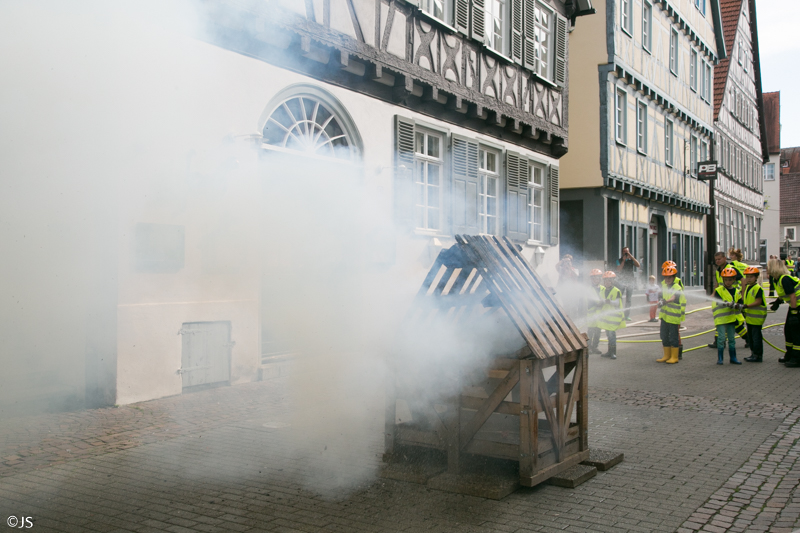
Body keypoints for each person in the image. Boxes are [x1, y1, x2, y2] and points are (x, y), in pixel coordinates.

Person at [708, 251, 746, 349]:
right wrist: (713, 294)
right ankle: (718, 341)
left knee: (735, 323)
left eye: (719, 259)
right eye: (716, 260)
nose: (717, 261)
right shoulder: (718, 270)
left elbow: (743, 280)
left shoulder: (731, 269)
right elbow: (717, 283)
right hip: (722, 297)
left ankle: (749, 339)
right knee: (721, 319)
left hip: (732, 297)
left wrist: (742, 295)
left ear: (725, 258)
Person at [767, 258, 800, 367]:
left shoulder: (784, 279)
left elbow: (793, 296)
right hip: (795, 306)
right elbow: (783, 293)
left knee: (796, 333)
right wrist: (777, 302)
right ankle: (789, 354)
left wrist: (794, 313)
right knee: (788, 331)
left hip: (797, 307)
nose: (767, 269)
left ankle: (797, 358)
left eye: (768, 267)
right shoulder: (778, 279)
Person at [712, 267, 743, 365]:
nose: (728, 282)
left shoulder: (737, 291)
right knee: (721, 339)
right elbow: (718, 301)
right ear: (723, 280)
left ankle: (733, 358)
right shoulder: (718, 290)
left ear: (734, 279)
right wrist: (726, 304)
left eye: (730, 279)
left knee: (732, 339)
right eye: (726, 280)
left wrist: (738, 305)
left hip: (731, 319)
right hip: (721, 319)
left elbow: (741, 303)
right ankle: (720, 359)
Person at [656, 266, 684, 364]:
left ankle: (674, 357)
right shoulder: (663, 287)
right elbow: (660, 297)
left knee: (673, 337)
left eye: (670, 277)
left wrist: (665, 301)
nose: (667, 279)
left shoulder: (677, 287)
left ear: (674, 277)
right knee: (663, 335)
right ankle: (666, 355)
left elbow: (673, 297)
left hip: (673, 317)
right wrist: (659, 302)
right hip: (665, 316)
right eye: (666, 277)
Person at [597, 271, 625, 359]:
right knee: (608, 335)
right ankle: (609, 352)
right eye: (605, 280)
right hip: (606, 318)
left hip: (614, 318)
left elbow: (617, 303)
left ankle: (613, 352)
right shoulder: (602, 291)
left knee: (612, 335)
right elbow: (601, 302)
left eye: (609, 280)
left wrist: (609, 302)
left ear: (612, 281)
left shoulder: (616, 291)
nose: (607, 282)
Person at [741, 266, 766, 363]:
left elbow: (758, 301)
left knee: (756, 338)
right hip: (750, 318)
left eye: (751, 277)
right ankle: (753, 354)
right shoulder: (748, 287)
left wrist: (747, 306)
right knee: (751, 337)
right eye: (747, 277)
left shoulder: (757, 288)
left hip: (756, 318)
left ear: (756, 277)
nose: (748, 279)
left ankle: (758, 355)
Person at [616, 247, 640, 321]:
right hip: (622, 281)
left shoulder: (631, 260)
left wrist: (631, 256)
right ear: (622, 252)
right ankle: (619, 314)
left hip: (630, 281)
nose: (625, 253)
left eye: (627, 251)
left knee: (628, 299)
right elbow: (619, 269)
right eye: (624, 251)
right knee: (619, 297)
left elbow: (638, 265)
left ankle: (626, 315)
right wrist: (623, 261)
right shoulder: (618, 260)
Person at [586, 269, 604, 355]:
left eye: (597, 278)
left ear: (600, 278)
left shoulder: (603, 289)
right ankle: (589, 347)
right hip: (592, 315)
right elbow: (589, 301)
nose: (595, 279)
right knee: (590, 332)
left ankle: (595, 347)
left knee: (598, 331)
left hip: (600, 315)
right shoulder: (588, 289)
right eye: (593, 278)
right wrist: (597, 303)